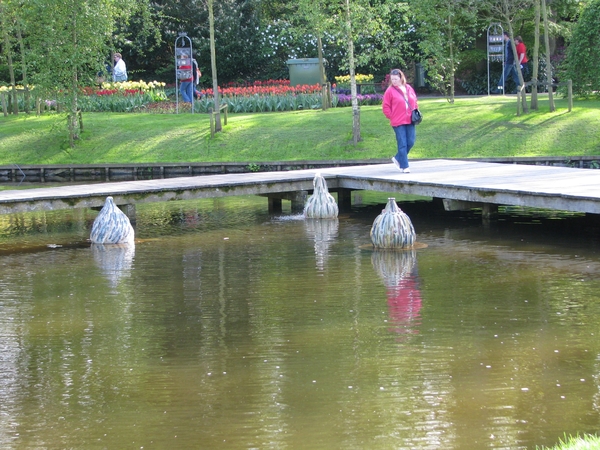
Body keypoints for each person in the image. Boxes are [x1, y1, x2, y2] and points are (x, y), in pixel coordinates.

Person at [382, 68, 418, 174]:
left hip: (409, 119)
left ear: (401, 78)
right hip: (398, 121)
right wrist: (392, 116)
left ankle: (398, 158)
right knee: (402, 143)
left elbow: (414, 101)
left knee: (410, 141)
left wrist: (415, 110)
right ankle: (404, 166)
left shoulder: (408, 88)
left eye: (396, 79)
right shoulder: (390, 91)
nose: (394, 81)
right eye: (392, 79)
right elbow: (385, 107)